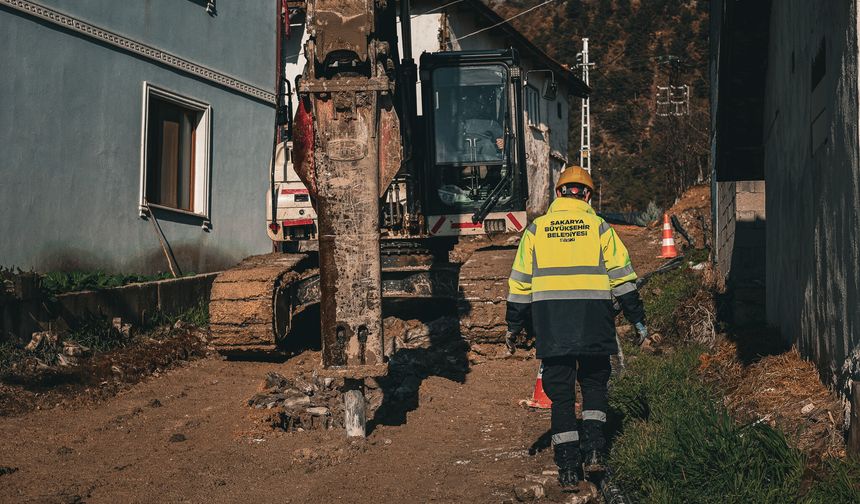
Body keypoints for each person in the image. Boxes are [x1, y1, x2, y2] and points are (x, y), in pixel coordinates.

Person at [504, 166, 648, 488]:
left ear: (558, 193)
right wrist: (638, 319)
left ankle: (568, 469)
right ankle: (595, 451)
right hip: (594, 320)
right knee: (595, 383)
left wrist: (514, 326)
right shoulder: (599, 228)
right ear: (587, 195)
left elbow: (520, 286)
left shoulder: (536, 230)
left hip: (552, 325)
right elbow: (623, 278)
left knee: (561, 396)